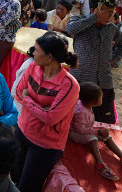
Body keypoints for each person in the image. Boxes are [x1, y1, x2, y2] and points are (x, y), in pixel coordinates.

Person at [12, 32, 79, 191]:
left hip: (44, 145)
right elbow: (18, 93)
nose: (32, 53)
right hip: (22, 131)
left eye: (36, 50)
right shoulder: (33, 67)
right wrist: (41, 109)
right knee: (15, 178)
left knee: (27, 188)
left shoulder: (69, 85)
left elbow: (50, 118)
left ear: (49, 57)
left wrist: (28, 99)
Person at [65, 0, 122, 124]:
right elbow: (70, 29)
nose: (110, 16)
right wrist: (94, 17)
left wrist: (114, 58)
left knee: (104, 121)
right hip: (80, 78)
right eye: (107, 12)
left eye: (112, 12)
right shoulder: (80, 20)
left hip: (104, 81)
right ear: (94, 9)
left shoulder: (112, 28)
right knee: (71, 117)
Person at [69, 82, 122, 181]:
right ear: (94, 102)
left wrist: (99, 132)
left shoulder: (85, 105)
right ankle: (100, 164)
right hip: (74, 133)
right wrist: (97, 133)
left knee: (107, 136)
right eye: (101, 97)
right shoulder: (81, 111)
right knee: (93, 139)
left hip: (85, 129)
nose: (102, 98)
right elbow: (80, 130)